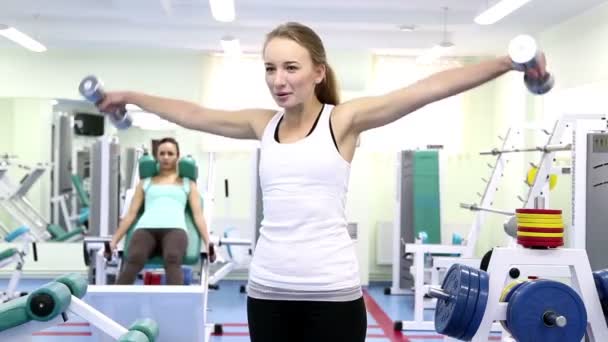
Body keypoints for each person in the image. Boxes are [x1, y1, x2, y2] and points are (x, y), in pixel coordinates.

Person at [96, 22, 548, 341]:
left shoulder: (343, 121)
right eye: (270, 69)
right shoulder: (262, 124)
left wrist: (508, 62)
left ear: (318, 72)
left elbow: (428, 89)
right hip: (267, 290)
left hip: (332, 294)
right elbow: (193, 113)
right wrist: (132, 96)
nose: (278, 79)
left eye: (290, 67)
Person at [109, 137, 213, 285]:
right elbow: (130, 215)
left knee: (172, 259)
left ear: (177, 156)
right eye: (162, 153)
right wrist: (114, 242)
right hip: (145, 228)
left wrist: (208, 242)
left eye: (170, 154)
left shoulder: (188, 184)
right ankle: (117, 302)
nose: (166, 157)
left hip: (175, 229)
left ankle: (174, 306)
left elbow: (198, 216)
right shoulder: (145, 183)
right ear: (157, 156)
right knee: (134, 259)